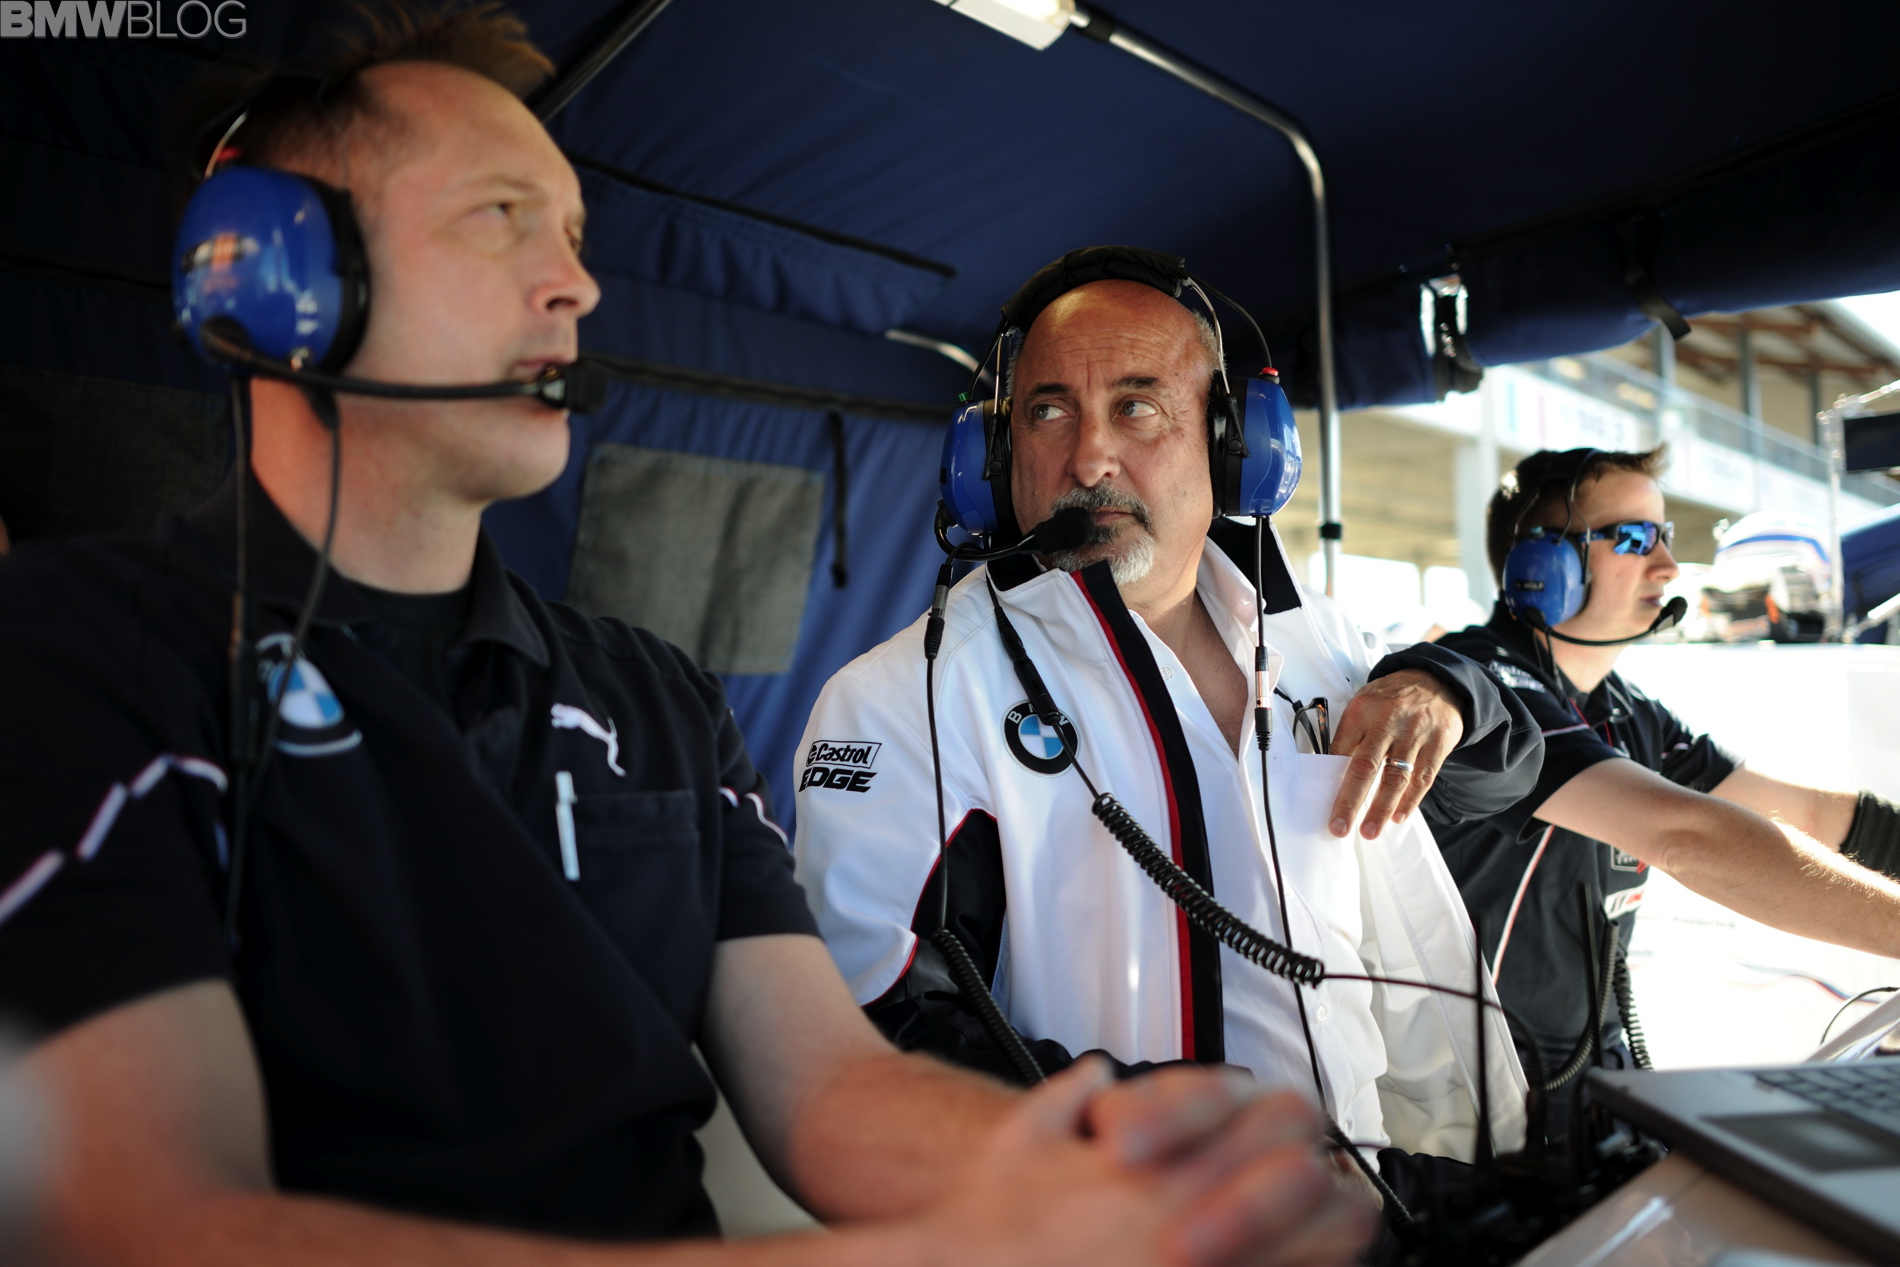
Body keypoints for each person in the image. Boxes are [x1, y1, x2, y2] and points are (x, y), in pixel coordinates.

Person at [0, 10, 1376, 1266]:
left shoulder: (653, 699)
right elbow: (150, 1221)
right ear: (279, 278)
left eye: (574, 234)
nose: (575, 286)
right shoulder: (79, 659)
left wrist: (1136, 1177)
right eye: (499, 219)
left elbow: (832, 1089)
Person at [792, 247, 1544, 1180]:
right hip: (1125, 1218)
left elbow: (1508, 779)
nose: (1088, 457)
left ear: (1234, 446)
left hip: (1378, 1200)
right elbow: (874, 1026)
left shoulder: (1314, 638)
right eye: (1048, 411)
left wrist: (1451, 689)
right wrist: (1178, 1150)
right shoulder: (904, 697)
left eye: (1136, 407)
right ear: (994, 457)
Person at [1431, 445, 1900, 1091]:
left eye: (1665, 536)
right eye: (1633, 538)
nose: (1669, 565)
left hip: (1590, 1087)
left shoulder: (1628, 711)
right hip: (1479, 1102)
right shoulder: (1481, 689)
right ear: (1542, 564)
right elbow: (1687, 836)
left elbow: (1810, 814)